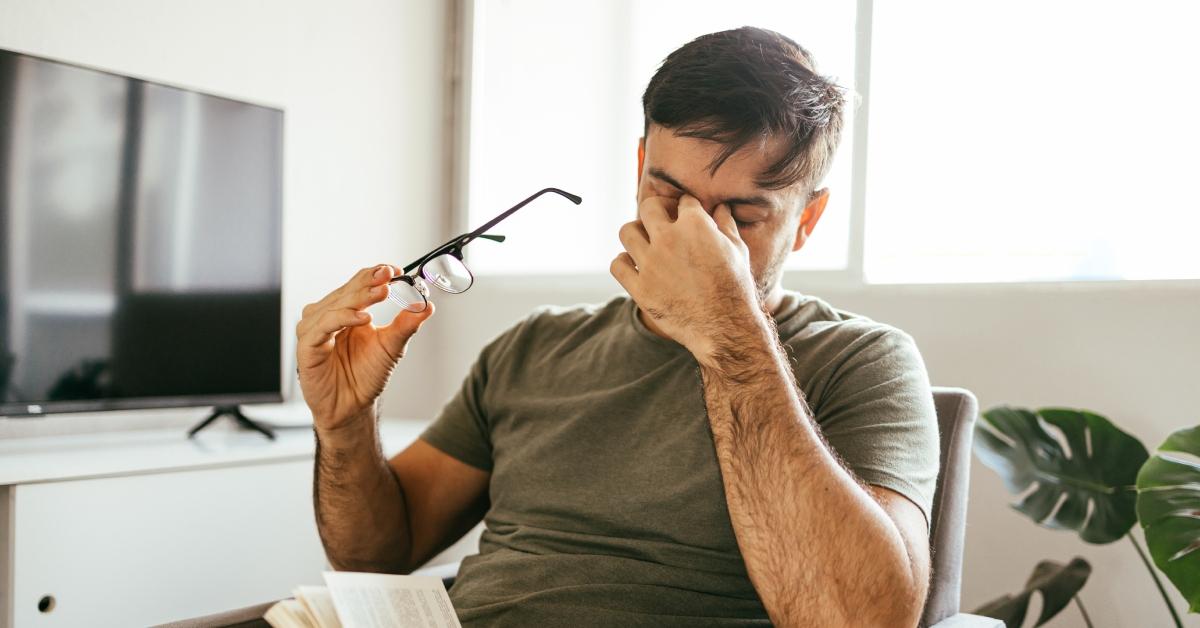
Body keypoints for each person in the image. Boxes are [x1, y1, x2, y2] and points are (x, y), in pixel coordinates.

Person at [295, 26, 939, 628]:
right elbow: (377, 559)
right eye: (667, 193)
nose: (691, 234)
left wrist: (729, 337)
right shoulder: (534, 349)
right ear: (639, 168)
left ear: (807, 218)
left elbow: (860, 619)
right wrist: (346, 426)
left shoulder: (863, 361)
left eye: (742, 214)